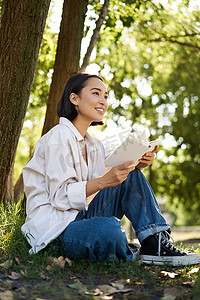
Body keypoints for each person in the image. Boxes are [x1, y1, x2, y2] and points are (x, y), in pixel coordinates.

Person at [21, 73, 200, 266]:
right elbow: (60, 198)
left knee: (131, 176)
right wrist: (104, 181)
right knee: (108, 230)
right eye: (96, 93)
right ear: (74, 98)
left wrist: (137, 162)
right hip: (55, 231)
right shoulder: (58, 138)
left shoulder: (93, 144)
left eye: (105, 96)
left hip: (81, 216)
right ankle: (123, 246)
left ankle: (154, 242)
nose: (103, 101)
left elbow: (109, 184)